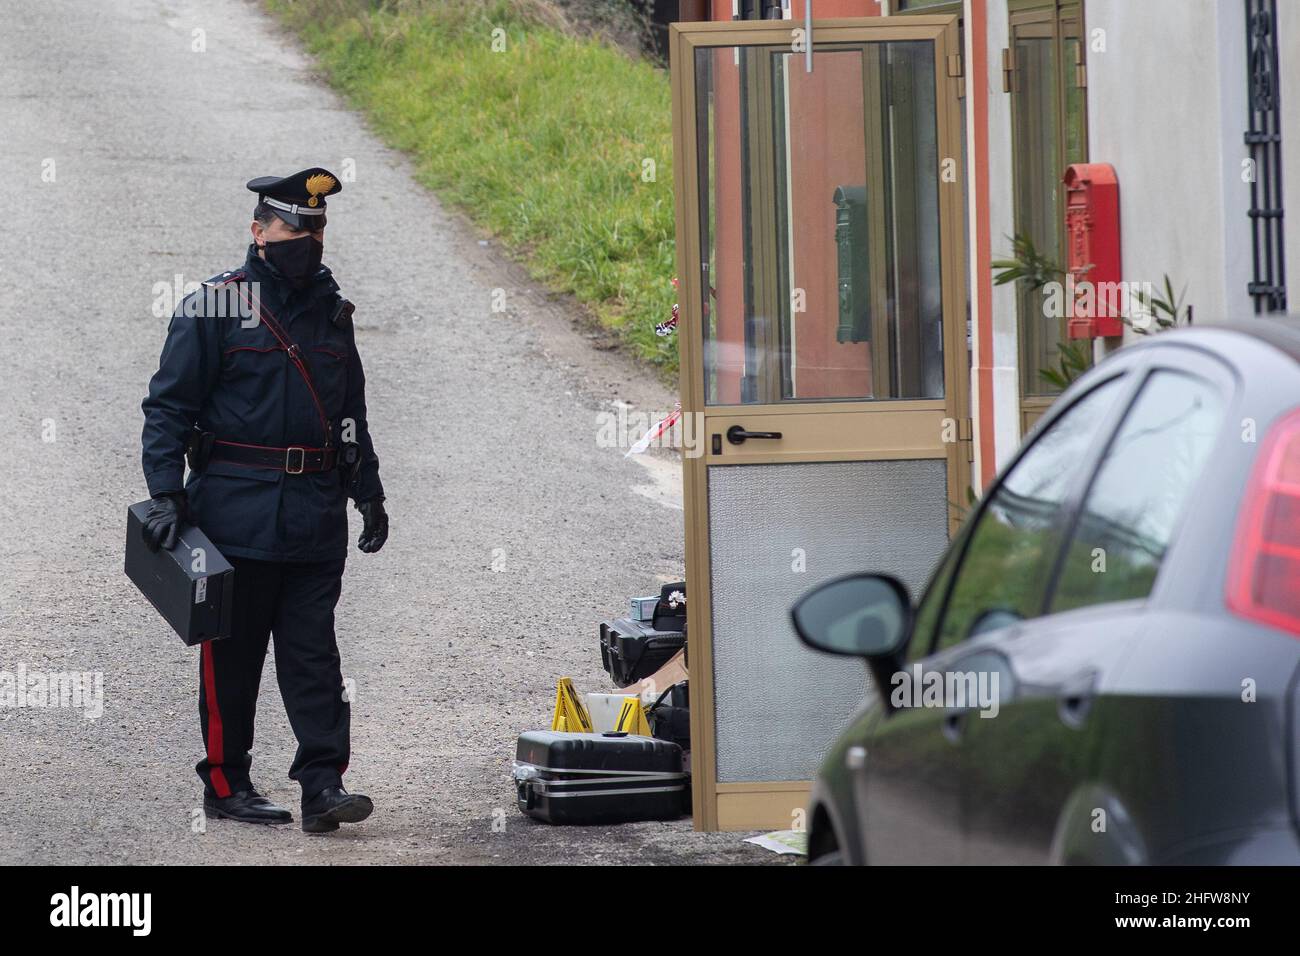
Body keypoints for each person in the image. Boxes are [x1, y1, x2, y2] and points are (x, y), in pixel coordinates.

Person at [140, 167, 388, 833]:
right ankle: (226, 783)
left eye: (316, 229)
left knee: (314, 659)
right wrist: (164, 493)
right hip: (233, 516)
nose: (307, 239)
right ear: (258, 231)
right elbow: (167, 408)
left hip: (313, 517)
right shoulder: (214, 306)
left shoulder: (333, 312)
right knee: (233, 658)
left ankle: (323, 787)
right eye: (294, 228)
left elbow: (350, 413)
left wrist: (368, 490)